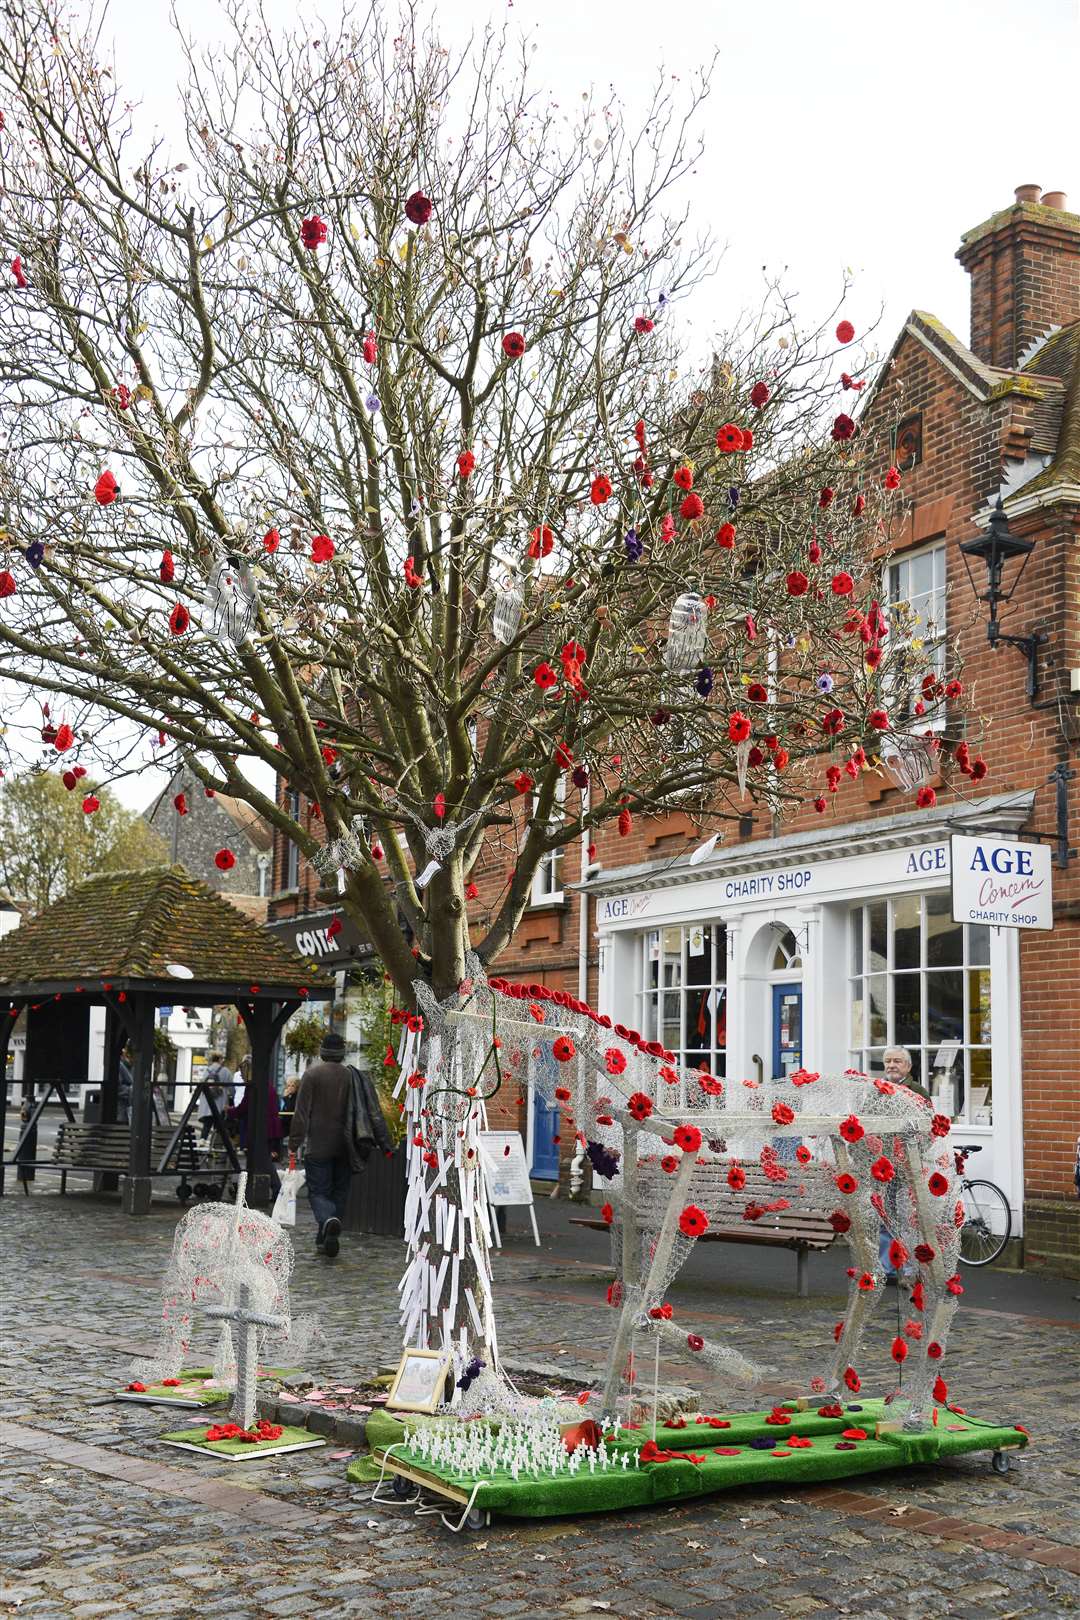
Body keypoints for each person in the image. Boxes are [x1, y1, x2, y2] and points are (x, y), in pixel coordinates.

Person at [288, 1030, 392, 1257]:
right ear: (342, 1053)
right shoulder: (353, 1076)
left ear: (323, 1052)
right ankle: (325, 1237)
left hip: (319, 1146)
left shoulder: (312, 1076)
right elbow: (373, 1112)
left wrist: (293, 1143)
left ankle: (328, 1220)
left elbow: (301, 1115)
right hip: (347, 1146)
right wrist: (386, 1144)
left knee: (318, 1192)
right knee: (340, 1192)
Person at [878, 1046, 931, 1282]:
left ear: (908, 1066)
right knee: (885, 1217)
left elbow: (929, 1128)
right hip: (882, 1165)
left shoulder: (918, 1091)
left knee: (910, 1218)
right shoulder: (876, 1091)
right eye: (888, 1061)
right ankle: (887, 1268)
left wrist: (915, 1155)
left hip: (908, 1165)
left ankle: (911, 1268)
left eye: (897, 1061)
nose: (891, 1065)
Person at [197, 1052, 231, 1141]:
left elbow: (202, 1085)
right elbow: (231, 1087)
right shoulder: (225, 1071)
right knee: (219, 1128)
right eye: (222, 1059)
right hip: (220, 1105)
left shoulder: (206, 1071)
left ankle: (202, 1143)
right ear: (219, 1059)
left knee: (206, 1126)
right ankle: (216, 1147)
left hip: (208, 1104)